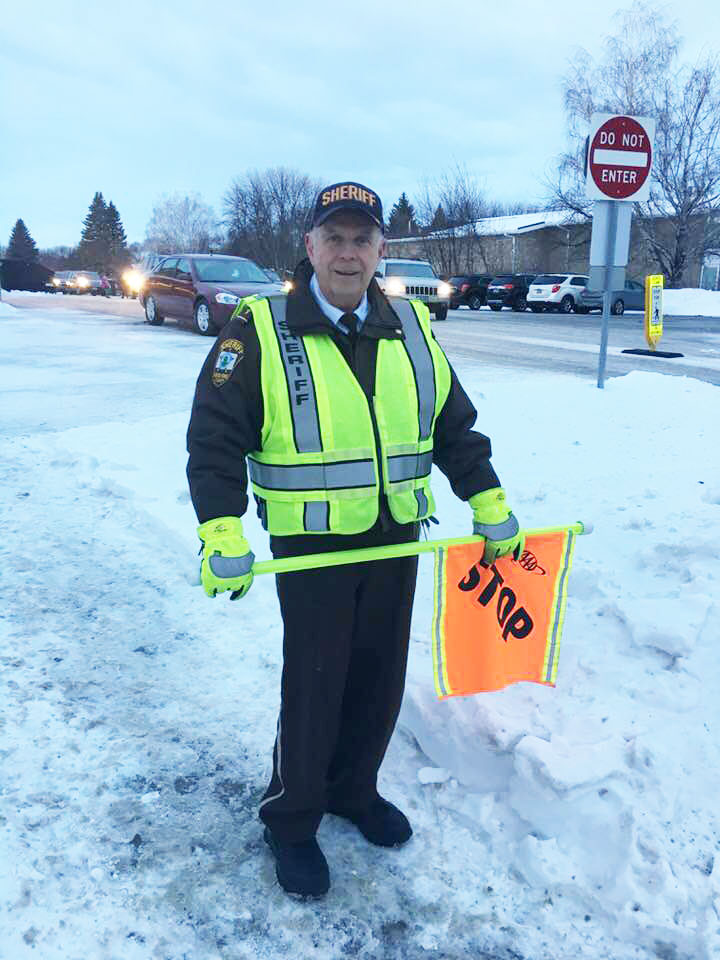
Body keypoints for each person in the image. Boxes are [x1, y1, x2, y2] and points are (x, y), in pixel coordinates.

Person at [186, 180, 523, 898]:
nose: (347, 253)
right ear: (309, 248)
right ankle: (293, 818)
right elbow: (215, 438)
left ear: (381, 249)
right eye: (333, 238)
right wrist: (221, 528)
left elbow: (451, 424)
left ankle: (353, 790)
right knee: (315, 683)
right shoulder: (261, 327)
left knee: (377, 676)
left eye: (361, 239)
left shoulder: (410, 325)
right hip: (314, 548)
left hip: (396, 533)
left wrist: (487, 499)